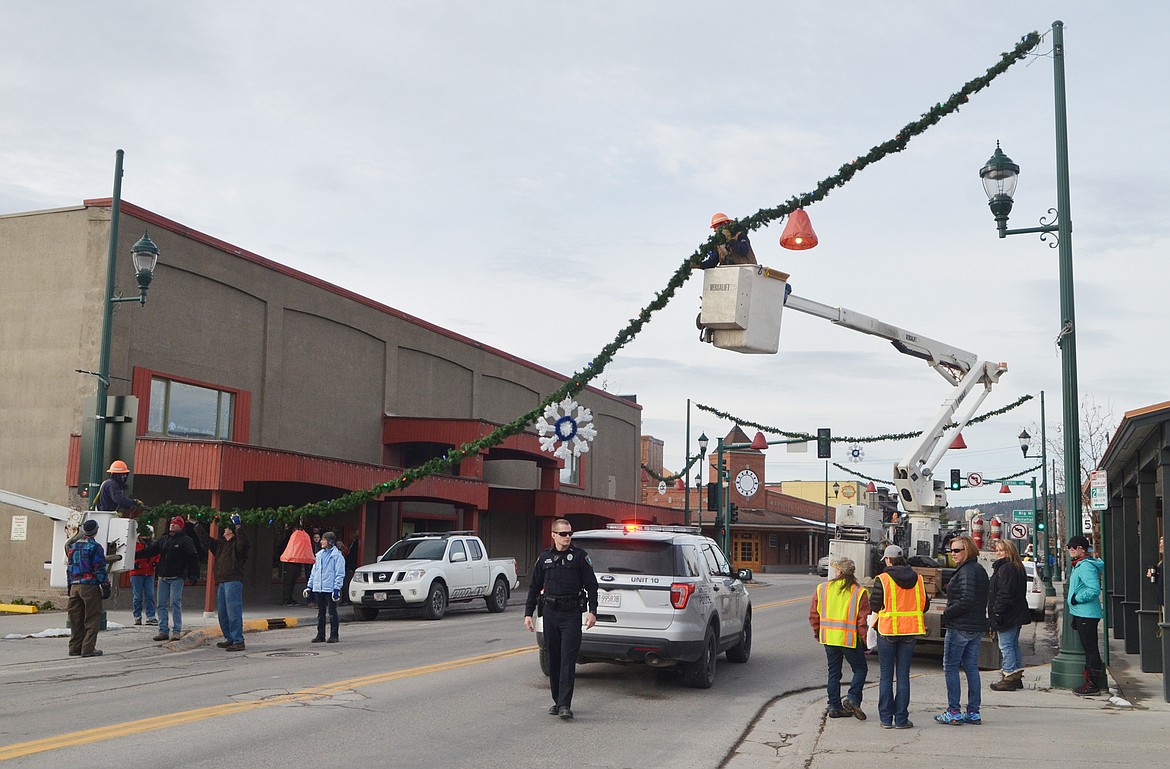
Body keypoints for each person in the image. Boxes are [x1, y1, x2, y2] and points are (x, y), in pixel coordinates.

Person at [524, 518, 599, 720]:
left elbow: (592, 585)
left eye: (570, 534)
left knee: (568, 659)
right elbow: (533, 587)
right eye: (563, 534)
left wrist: (593, 611)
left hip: (571, 614)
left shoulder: (580, 557)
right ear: (554, 535)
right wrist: (527, 613)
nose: (567, 537)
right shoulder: (545, 559)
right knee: (554, 658)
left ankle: (565, 704)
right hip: (550, 612)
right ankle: (557, 701)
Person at [869, 544, 928, 729]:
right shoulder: (918, 579)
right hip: (909, 632)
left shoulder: (883, 579)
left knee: (886, 676)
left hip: (888, 632)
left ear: (888, 560)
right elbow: (924, 605)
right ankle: (901, 719)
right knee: (903, 676)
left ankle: (886, 719)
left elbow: (875, 606)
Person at [935, 534, 989, 725]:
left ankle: (954, 711)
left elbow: (967, 599)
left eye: (957, 550)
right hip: (975, 626)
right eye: (952, 550)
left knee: (951, 666)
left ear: (968, 550)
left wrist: (947, 612)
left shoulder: (967, 571)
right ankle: (973, 711)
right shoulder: (978, 570)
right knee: (971, 668)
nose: (954, 554)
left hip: (960, 626)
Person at [809, 556, 870, 721]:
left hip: (829, 638)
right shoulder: (859, 592)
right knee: (860, 669)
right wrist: (866, 642)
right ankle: (852, 698)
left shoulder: (823, 588)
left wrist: (818, 632)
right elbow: (863, 620)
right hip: (849, 639)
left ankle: (834, 707)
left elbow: (814, 615)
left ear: (839, 572)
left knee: (833, 672)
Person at [138, 516, 201, 642]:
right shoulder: (164, 539)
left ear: (181, 526)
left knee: (175, 603)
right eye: (171, 523)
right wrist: (135, 555)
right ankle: (163, 631)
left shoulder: (186, 541)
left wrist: (194, 574)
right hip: (163, 577)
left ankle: (176, 630)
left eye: (176, 523)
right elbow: (151, 551)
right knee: (161, 604)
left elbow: (193, 557)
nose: (172, 525)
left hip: (177, 577)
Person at [197, 515, 250, 652]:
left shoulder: (238, 545)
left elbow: (243, 542)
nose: (224, 530)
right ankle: (229, 638)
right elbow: (207, 541)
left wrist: (238, 525)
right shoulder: (221, 545)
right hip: (222, 581)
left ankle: (238, 640)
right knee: (223, 613)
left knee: (234, 613)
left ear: (231, 531)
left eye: (226, 528)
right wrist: (197, 525)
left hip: (233, 581)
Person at [987, 538, 1031, 691]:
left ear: (1009, 551)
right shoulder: (1017, 567)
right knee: (1013, 645)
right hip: (1016, 613)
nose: (998, 553)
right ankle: (1016, 675)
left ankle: (1009, 675)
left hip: (1007, 614)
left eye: (1002, 550)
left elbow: (1004, 593)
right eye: (997, 550)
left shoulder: (1006, 569)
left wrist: (997, 612)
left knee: (1005, 646)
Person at [1067, 534, 1106, 696]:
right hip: (1082, 613)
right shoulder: (1079, 565)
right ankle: (1090, 682)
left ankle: (1093, 684)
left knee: (1091, 649)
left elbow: (1093, 589)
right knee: (1089, 649)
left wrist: (1076, 599)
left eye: (1074, 547)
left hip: (1087, 614)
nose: (1071, 550)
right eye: (1069, 547)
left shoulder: (1086, 566)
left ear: (1083, 549)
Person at [66, 518, 111, 657]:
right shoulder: (95, 547)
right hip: (89, 586)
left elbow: (69, 568)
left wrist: (69, 585)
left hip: (74, 585)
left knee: (76, 618)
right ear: (96, 531)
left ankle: (74, 647)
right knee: (92, 617)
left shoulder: (73, 547)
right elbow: (99, 568)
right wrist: (105, 584)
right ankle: (88, 648)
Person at [305, 531, 346, 643]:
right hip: (319, 588)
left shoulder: (337, 556)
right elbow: (314, 572)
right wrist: (309, 586)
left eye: (324, 539)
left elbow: (340, 573)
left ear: (330, 541)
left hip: (330, 588)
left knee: (332, 612)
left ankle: (334, 635)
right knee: (321, 613)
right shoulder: (318, 555)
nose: (322, 541)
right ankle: (320, 634)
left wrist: (337, 588)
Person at [129, 524, 159, 626]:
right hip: (136, 573)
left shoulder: (154, 545)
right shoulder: (134, 544)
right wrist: (134, 564)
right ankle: (137, 616)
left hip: (149, 572)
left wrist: (156, 563)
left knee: (150, 595)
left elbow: (157, 555)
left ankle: (151, 617)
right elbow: (129, 556)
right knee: (137, 596)